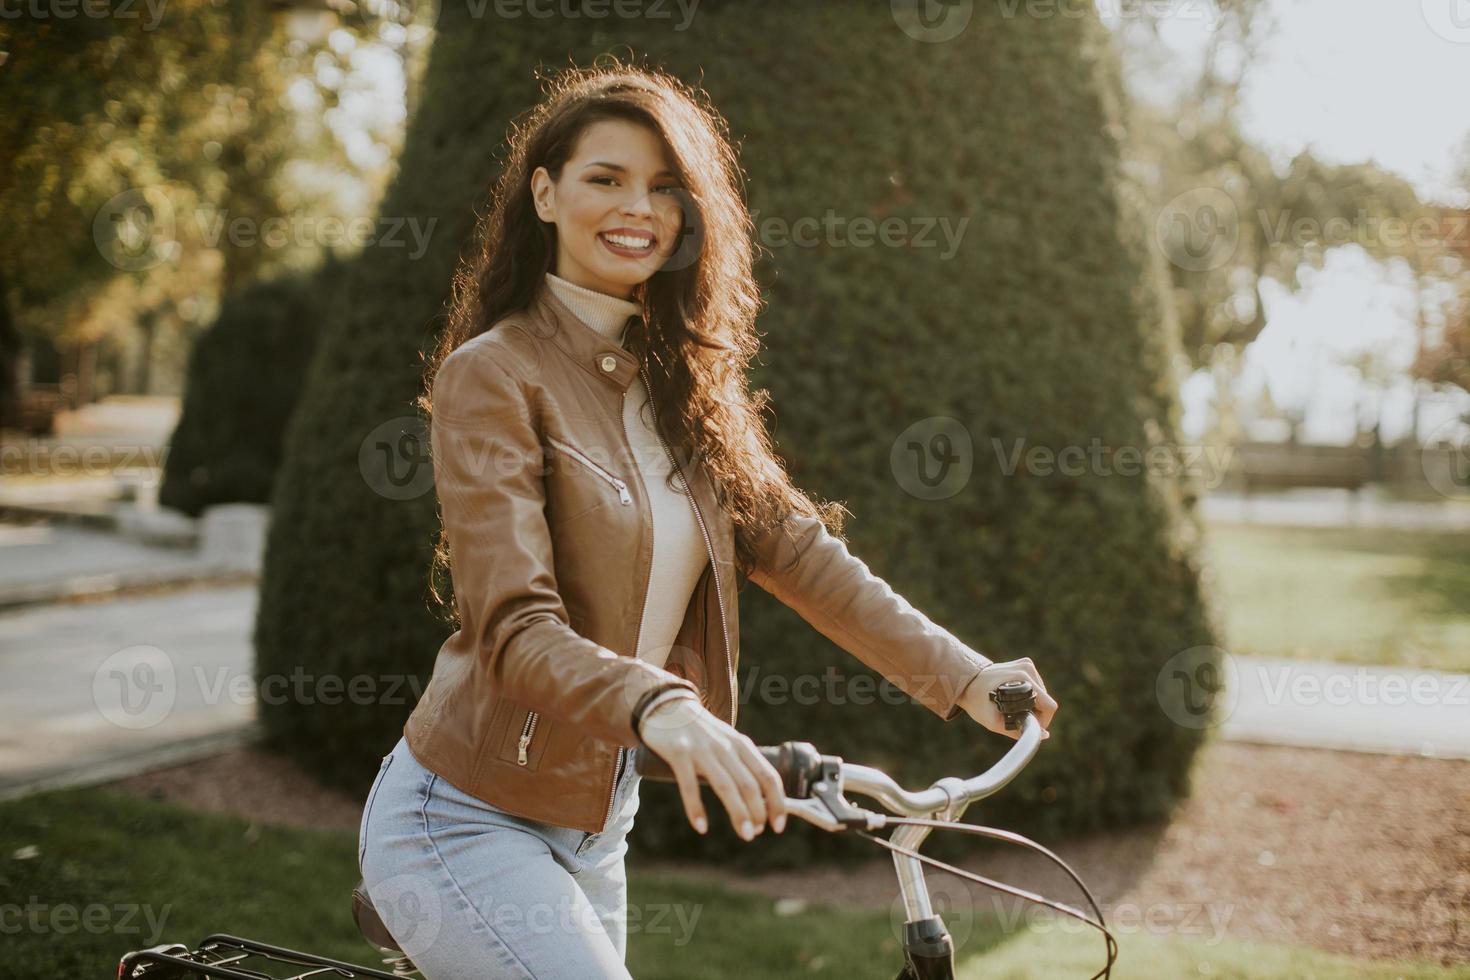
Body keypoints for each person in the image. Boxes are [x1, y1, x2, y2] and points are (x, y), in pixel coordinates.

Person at [358, 59, 1059, 980]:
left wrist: (966, 676)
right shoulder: (495, 374)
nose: (635, 207)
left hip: (597, 821)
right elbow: (514, 629)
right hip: (461, 815)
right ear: (544, 192)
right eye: (604, 178)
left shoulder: (681, 387)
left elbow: (803, 555)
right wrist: (664, 706)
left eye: (663, 187)